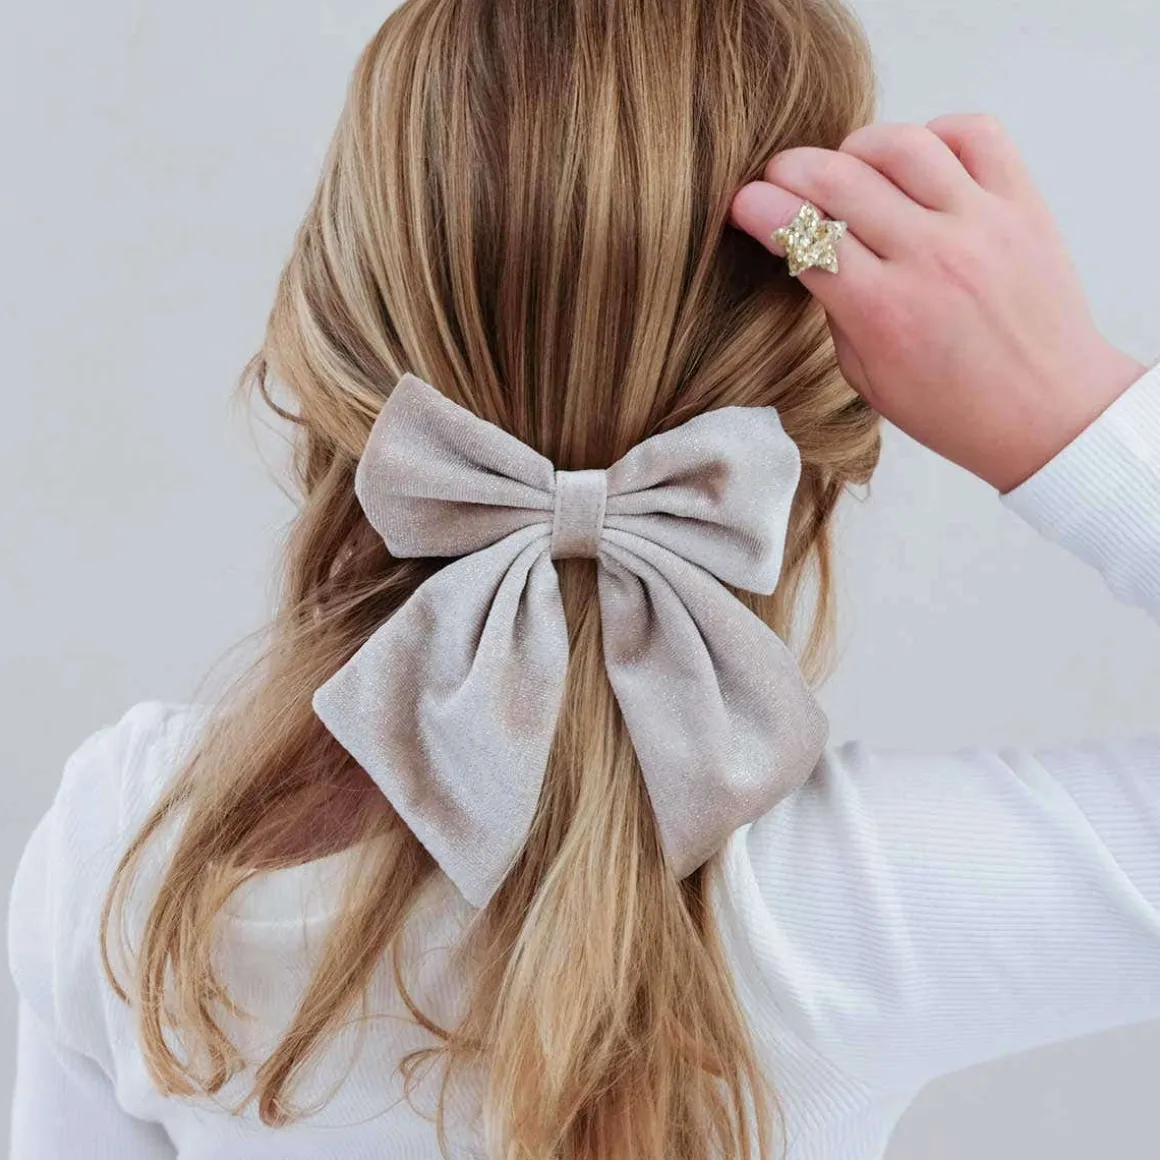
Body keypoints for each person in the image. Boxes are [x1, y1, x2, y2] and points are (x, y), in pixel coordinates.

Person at [7, 1, 1158, 1158]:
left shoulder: (136, 853)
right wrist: (1067, 413)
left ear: (328, 330)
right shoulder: (858, 904)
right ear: (822, 396)